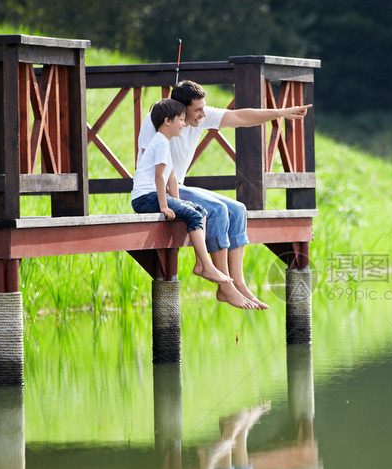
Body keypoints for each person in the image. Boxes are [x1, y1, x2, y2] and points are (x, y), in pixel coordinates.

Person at [138, 80, 312, 310]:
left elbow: (240, 117)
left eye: (204, 108)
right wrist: (172, 198)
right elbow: (150, 165)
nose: (203, 114)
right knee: (217, 210)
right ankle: (224, 286)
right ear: (181, 108)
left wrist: (279, 113)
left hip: (178, 185)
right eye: (198, 109)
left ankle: (237, 281)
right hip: (158, 191)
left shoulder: (200, 115)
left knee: (238, 209)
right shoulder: (157, 122)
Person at [131, 98, 233, 287]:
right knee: (194, 215)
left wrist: (178, 204)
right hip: (146, 198)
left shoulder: (165, 143)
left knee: (199, 210)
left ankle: (200, 264)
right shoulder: (160, 143)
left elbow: (172, 177)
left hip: (154, 197)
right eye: (180, 120)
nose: (184, 124)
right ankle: (208, 266)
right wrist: (165, 205)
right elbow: (159, 177)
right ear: (167, 121)